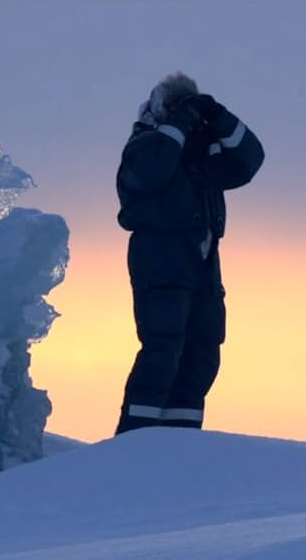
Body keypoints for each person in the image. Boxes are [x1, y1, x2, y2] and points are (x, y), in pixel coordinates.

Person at [114, 71, 265, 434]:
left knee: (202, 351)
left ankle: (180, 441)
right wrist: (179, 120)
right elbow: (154, 171)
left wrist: (216, 114)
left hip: (202, 262)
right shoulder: (145, 146)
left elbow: (250, 159)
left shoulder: (200, 159)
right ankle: (135, 437)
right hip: (161, 257)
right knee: (164, 347)